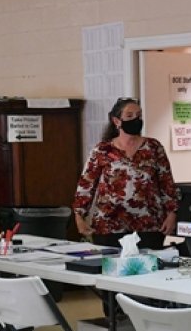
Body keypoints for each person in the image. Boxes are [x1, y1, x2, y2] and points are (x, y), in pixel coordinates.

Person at [72, 98, 177, 250]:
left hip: (148, 224)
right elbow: (86, 185)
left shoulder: (153, 147)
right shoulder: (102, 150)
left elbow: (167, 183)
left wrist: (172, 213)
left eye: (139, 115)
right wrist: (79, 215)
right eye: (129, 116)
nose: (136, 119)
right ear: (117, 121)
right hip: (109, 224)